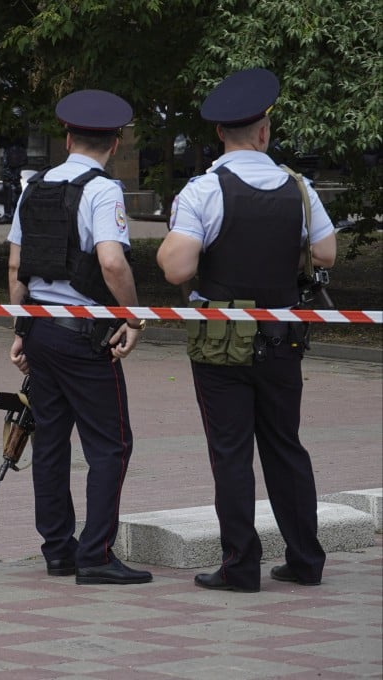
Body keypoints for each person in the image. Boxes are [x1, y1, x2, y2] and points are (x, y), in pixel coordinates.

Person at [156, 68, 337, 593]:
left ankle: (240, 567)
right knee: (286, 447)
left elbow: (177, 268)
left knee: (231, 452)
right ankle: (305, 560)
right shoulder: (297, 188)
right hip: (283, 340)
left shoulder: (204, 190)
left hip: (221, 347)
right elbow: (325, 252)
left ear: (219, 133)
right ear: (264, 131)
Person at [7, 89, 151, 586]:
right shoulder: (103, 189)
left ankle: (58, 550)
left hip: (42, 327)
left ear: (67, 138)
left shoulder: (35, 186)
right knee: (110, 445)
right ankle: (96, 554)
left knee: (50, 442)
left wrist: (22, 327)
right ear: (114, 143)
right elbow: (111, 261)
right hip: (85, 335)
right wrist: (132, 319)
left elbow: (16, 265)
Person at [0, 106, 30, 224]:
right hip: (19, 153)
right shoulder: (23, 121)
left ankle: (9, 214)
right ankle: (16, 213)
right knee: (15, 184)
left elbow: (4, 135)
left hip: (11, 153)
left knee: (8, 184)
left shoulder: (13, 123)